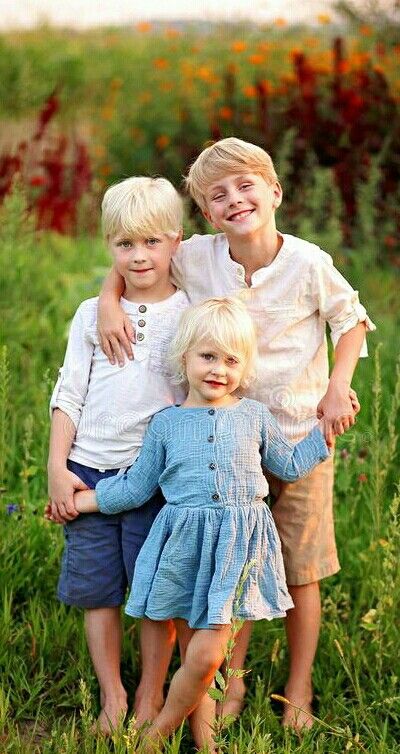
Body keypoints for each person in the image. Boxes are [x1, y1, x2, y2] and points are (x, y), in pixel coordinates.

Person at [96, 137, 375, 730]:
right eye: (218, 195)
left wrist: (337, 385)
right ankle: (230, 679)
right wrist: (107, 298)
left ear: (274, 191)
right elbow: (138, 258)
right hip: (223, 441)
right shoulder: (199, 256)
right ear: (206, 213)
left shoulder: (307, 262)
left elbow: (351, 322)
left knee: (301, 568)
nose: (235, 200)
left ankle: (298, 687)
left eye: (247, 185)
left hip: (298, 432)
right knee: (233, 561)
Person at [63, 296, 337, 753]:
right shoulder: (166, 424)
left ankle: (157, 735)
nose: (218, 370)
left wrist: (324, 431)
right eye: (208, 356)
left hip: (235, 550)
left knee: (209, 654)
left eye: (231, 360)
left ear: (245, 367)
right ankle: (205, 741)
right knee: (197, 655)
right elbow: (135, 487)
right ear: (184, 357)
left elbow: (287, 466)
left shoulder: (254, 416)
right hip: (183, 550)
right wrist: (85, 501)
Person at [46, 176, 190, 734]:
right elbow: (69, 393)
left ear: (176, 241)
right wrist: (58, 468)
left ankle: (152, 693)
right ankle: (113, 693)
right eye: (125, 244)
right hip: (87, 470)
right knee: (97, 589)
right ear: (109, 244)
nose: (138, 256)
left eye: (152, 243)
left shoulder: (189, 312)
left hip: (153, 478)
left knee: (156, 592)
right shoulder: (91, 315)